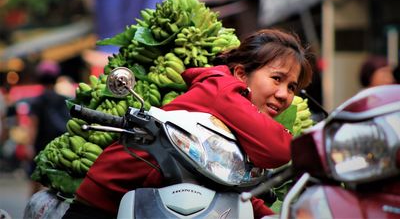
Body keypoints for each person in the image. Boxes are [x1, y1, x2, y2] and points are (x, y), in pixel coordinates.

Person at [62, 28, 313, 219]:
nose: (283, 94)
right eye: (276, 78)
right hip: (104, 204)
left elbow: (220, 175)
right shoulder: (221, 88)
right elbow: (279, 149)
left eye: (292, 87)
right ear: (241, 74)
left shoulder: (239, 117)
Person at [28, 60, 70, 195]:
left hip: (40, 145)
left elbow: (33, 125)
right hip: (59, 144)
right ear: (56, 79)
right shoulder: (65, 100)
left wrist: (29, 145)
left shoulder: (36, 101)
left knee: (36, 180)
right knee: (55, 183)